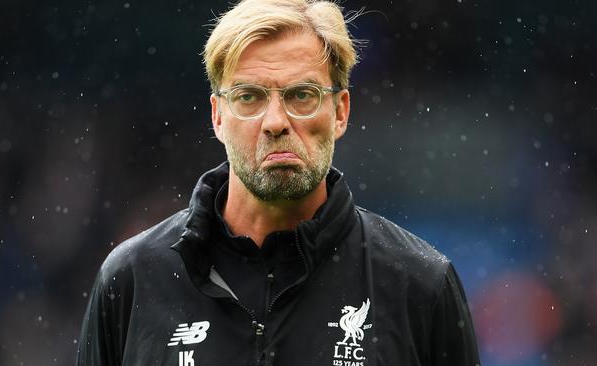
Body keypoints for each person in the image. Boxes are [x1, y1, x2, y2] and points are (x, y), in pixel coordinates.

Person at [76, 0, 481, 365]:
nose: (274, 122)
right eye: (249, 97)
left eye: (301, 95)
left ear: (340, 111)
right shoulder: (132, 280)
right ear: (218, 116)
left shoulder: (420, 285)